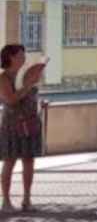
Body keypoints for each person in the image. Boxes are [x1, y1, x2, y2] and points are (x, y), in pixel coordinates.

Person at [0, 45, 43, 212]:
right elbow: (11, 100)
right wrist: (28, 85)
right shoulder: (3, 78)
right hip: (12, 125)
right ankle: (6, 201)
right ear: (10, 57)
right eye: (20, 55)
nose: (24, 58)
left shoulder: (26, 74)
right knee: (9, 161)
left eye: (24, 55)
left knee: (29, 161)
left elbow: (32, 94)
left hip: (30, 123)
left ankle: (27, 199)